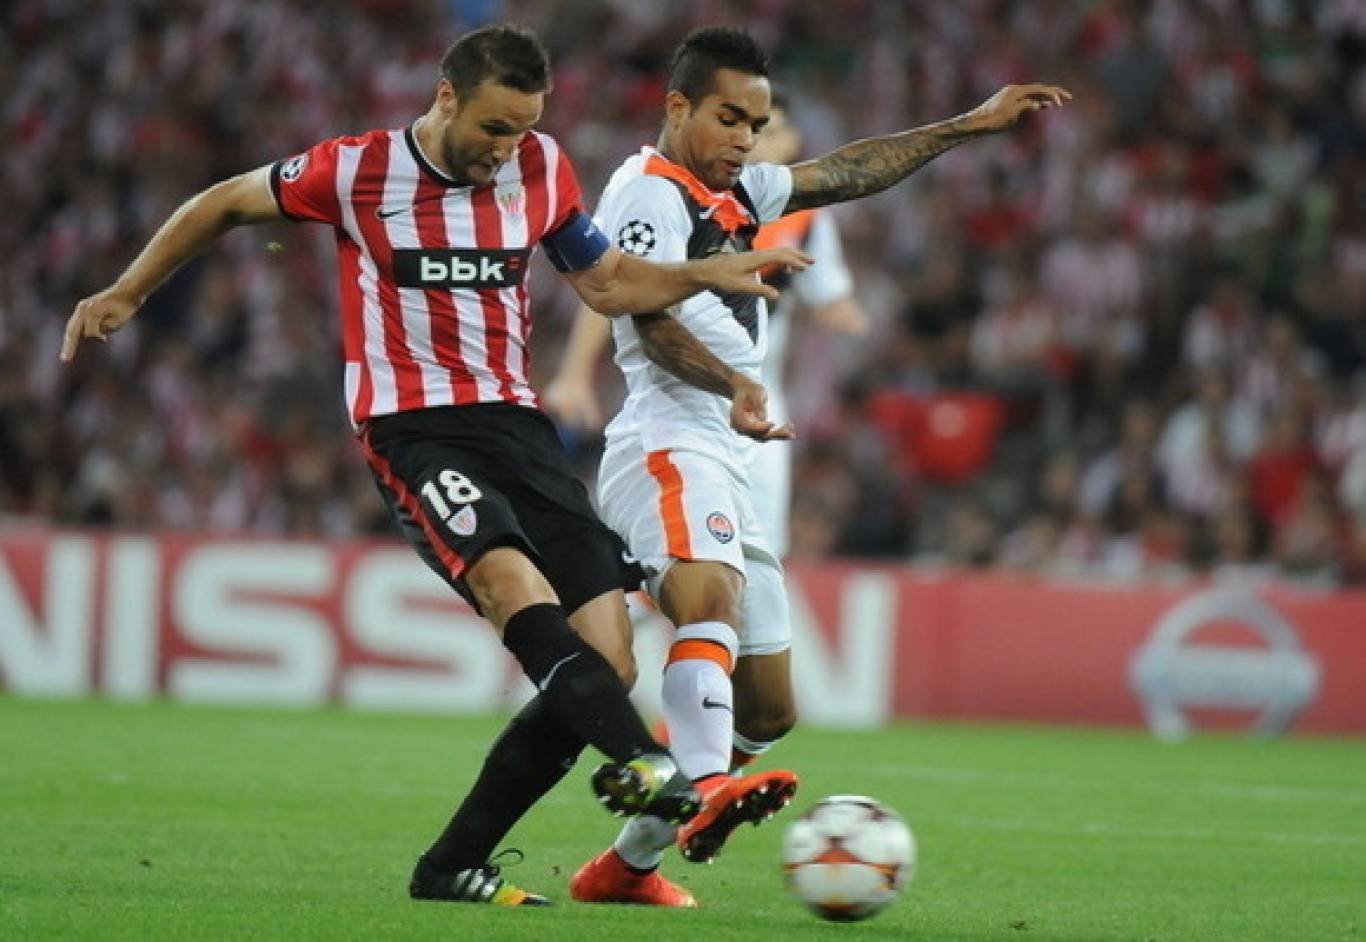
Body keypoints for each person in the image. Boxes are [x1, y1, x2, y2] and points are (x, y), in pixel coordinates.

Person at [60, 24, 811, 907]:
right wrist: (128, 290)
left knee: (608, 657)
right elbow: (225, 202)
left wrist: (706, 273)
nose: (507, 149)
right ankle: (654, 767)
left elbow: (608, 282)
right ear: (446, 97)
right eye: (494, 128)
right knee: (508, 584)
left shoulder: (541, 166)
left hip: (517, 427)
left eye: (524, 129)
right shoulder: (355, 171)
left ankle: (452, 865)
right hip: (415, 431)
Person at [558, 27, 1069, 907]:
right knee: (707, 597)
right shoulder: (649, 191)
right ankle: (703, 785)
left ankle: (625, 867)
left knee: (769, 709)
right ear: (678, 106)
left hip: (730, 447)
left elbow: (847, 171)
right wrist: (733, 383)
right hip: (666, 438)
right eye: (728, 119)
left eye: (755, 125)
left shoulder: (736, 189)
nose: (745, 140)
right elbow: (646, 322)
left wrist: (969, 125)